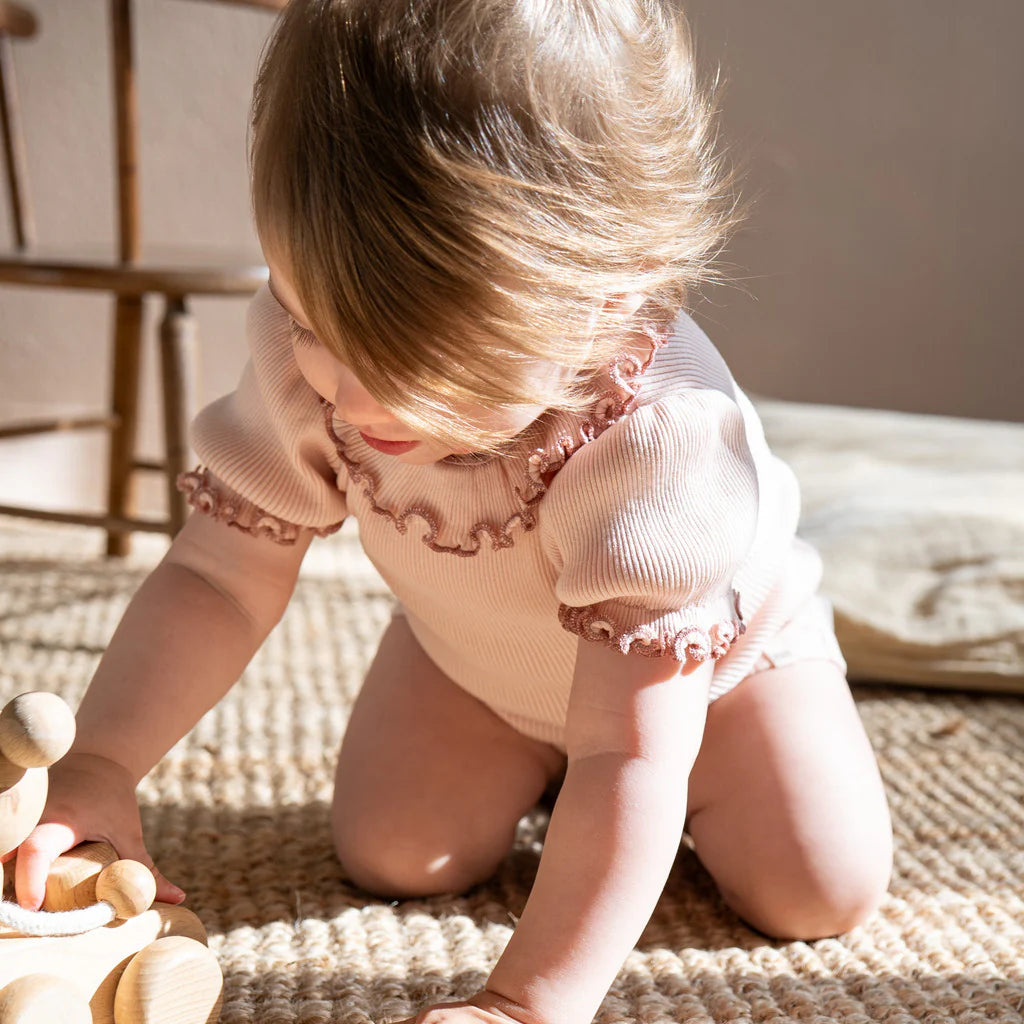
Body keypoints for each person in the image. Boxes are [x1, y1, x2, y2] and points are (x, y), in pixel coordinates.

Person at [8, 2, 894, 1022]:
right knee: (393, 852)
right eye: (307, 320)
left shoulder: (659, 446)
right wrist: (103, 761)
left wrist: (526, 1001)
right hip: (478, 661)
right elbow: (217, 573)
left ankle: (646, 810)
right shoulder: (325, 359)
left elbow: (628, 747)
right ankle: (540, 774)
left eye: (411, 365)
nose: (338, 386)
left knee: (816, 889)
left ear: (609, 306)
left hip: (711, 683)